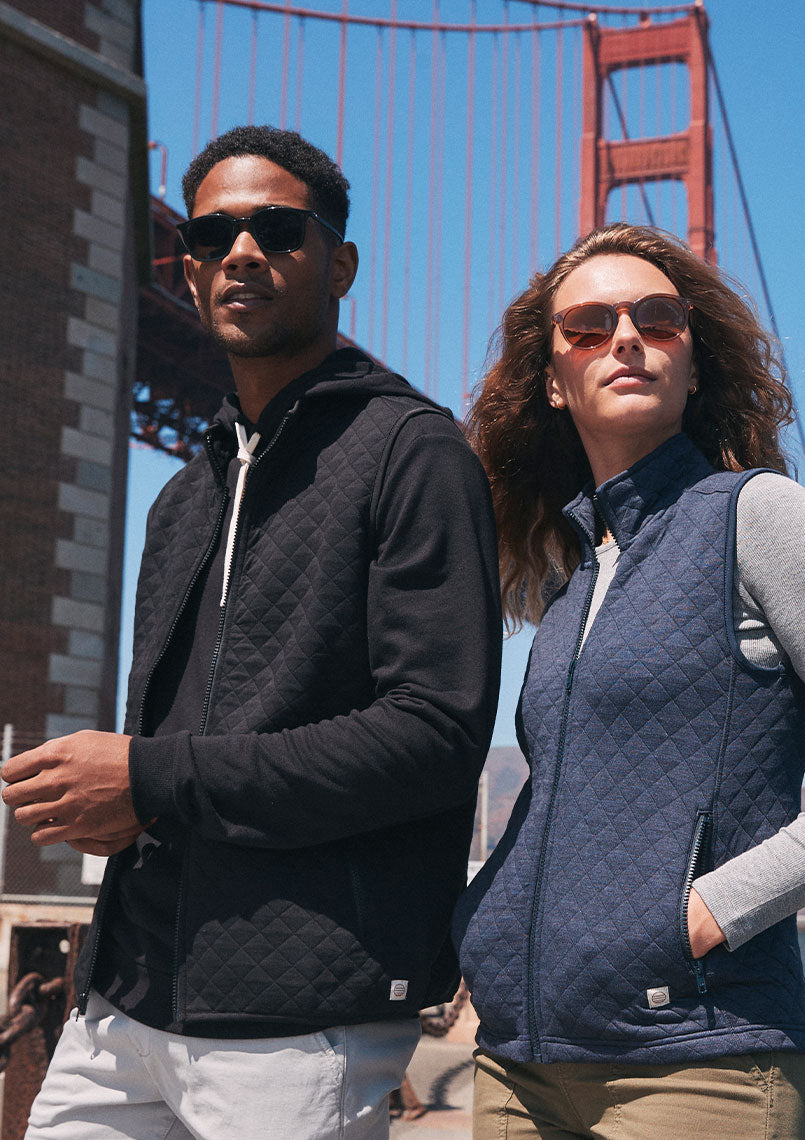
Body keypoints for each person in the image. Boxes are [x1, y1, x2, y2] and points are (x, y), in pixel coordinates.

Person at [1, 125, 502, 1139]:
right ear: (187, 271)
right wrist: (121, 804)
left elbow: (435, 736)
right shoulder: (181, 498)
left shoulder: (415, 456)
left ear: (339, 265)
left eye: (277, 230)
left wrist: (149, 778)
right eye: (210, 234)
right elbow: (180, 747)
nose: (240, 251)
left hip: (295, 1020)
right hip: (124, 997)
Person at [452, 222, 805, 1140]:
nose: (625, 339)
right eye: (587, 326)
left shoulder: (761, 517)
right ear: (552, 380)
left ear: (692, 362)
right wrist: (486, 923)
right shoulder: (573, 574)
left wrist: (700, 914)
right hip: (517, 1064)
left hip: (696, 1061)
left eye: (656, 320)